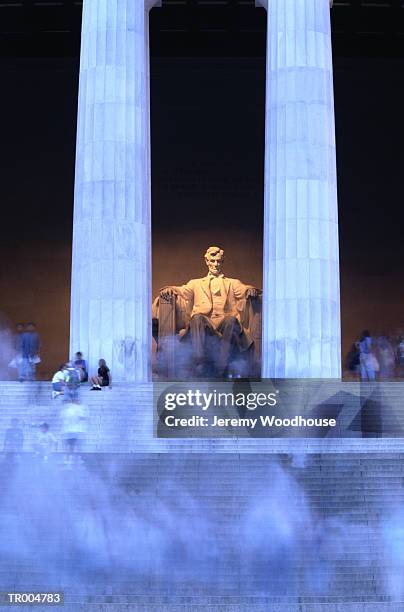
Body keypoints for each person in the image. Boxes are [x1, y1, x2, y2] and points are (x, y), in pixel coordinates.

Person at [159, 246, 259, 376]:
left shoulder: (232, 283)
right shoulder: (195, 283)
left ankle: (222, 364)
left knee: (231, 320)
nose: (216, 264)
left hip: (225, 323)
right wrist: (170, 289)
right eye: (213, 261)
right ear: (207, 261)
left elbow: (244, 289)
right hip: (205, 325)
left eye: (219, 261)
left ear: (222, 262)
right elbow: (182, 290)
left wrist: (250, 290)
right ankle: (199, 361)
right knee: (197, 318)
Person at [60, 400, 87, 467]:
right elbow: (82, 417)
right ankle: (72, 459)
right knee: (74, 446)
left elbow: (62, 418)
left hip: (71, 431)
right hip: (73, 431)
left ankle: (69, 459)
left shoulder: (68, 409)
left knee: (71, 446)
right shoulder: (75, 408)